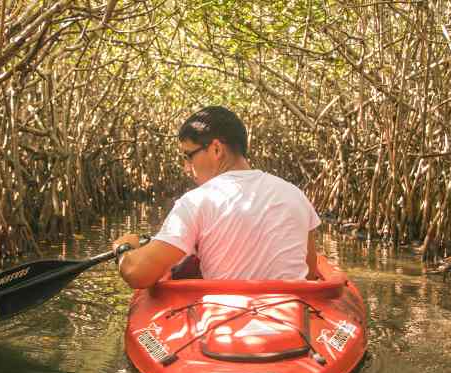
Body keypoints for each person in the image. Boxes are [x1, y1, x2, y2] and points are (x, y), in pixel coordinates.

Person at [112, 106, 320, 288]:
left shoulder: (196, 201)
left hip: (226, 323)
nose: (186, 167)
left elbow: (137, 274)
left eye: (188, 156)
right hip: (292, 319)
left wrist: (124, 248)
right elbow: (310, 274)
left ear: (216, 149)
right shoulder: (295, 195)